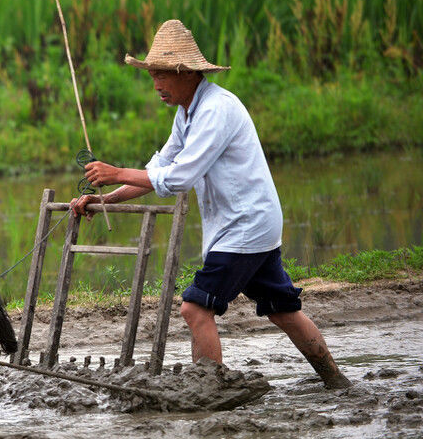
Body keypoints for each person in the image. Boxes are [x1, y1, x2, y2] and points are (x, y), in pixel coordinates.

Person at [69, 19, 351, 389]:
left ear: (188, 73)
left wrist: (117, 172)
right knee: (283, 310)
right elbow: (158, 171)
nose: (156, 85)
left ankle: (210, 392)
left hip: (244, 227)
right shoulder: (186, 114)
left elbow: (179, 179)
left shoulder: (216, 110)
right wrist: (103, 198)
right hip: (250, 225)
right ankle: (336, 380)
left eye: (163, 76)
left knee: (195, 307)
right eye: (153, 75)